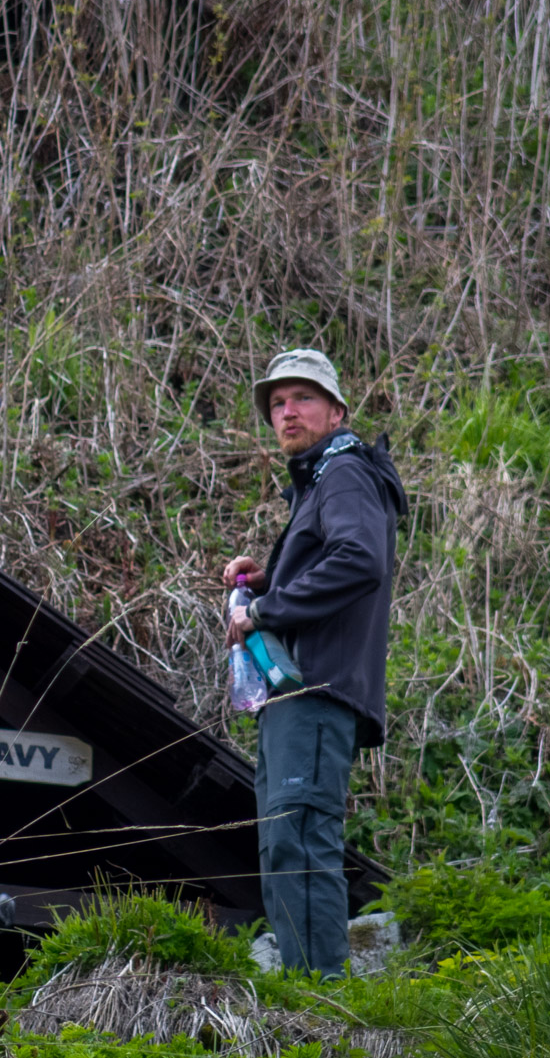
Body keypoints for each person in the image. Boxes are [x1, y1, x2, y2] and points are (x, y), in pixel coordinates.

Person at [222, 349, 405, 975]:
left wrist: (266, 610)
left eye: (302, 398)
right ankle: (305, 990)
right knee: (282, 841)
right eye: (277, 403)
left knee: (298, 839)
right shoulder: (320, 481)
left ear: (336, 411)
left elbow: (360, 559)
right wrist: (267, 578)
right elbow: (333, 558)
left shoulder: (346, 471)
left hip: (317, 690)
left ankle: (321, 997)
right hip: (294, 694)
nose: (287, 411)